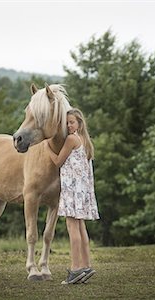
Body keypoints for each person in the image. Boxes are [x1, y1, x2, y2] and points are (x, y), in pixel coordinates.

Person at [45, 108, 100, 285]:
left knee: (72, 227)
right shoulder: (84, 140)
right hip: (82, 190)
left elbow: (58, 161)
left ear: (79, 123)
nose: (68, 125)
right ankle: (86, 265)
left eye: (72, 122)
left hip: (72, 189)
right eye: (67, 122)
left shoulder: (71, 139)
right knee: (81, 227)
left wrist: (47, 146)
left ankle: (75, 269)